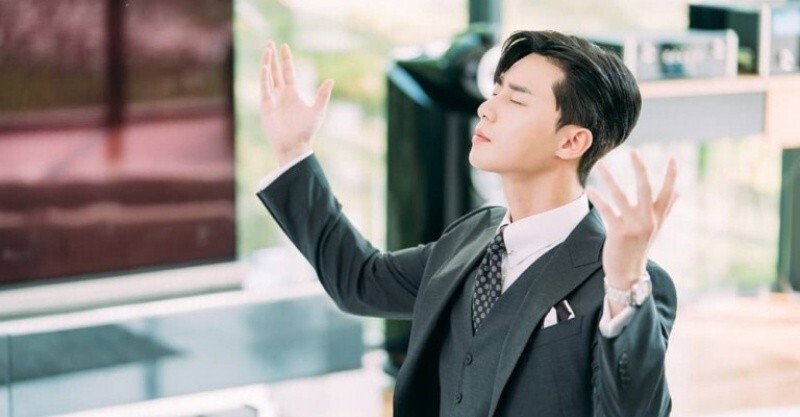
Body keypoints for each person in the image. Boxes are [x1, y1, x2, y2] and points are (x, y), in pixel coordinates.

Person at [257, 30, 678, 417]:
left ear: (571, 141)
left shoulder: (628, 284)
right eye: (495, 92)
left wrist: (624, 284)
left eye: (515, 100)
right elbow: (361, 281)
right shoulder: (471, 236)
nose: (486, 109)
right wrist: (294, 152)